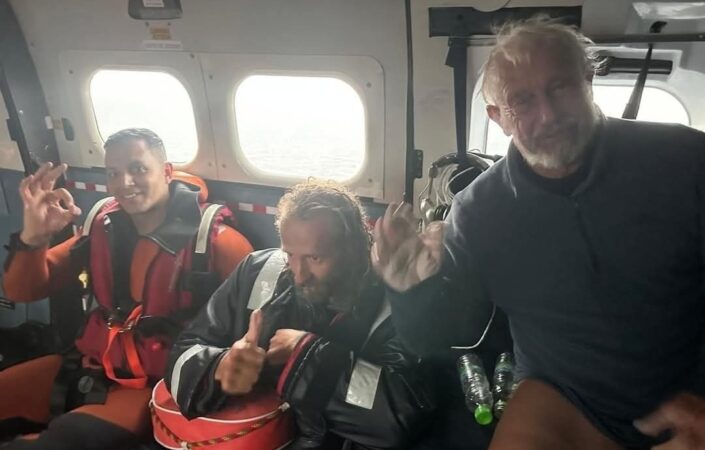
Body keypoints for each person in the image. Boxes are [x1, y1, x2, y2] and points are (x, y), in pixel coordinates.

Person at [372, 17, 705, 450]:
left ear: (588, 82)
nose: (548, 116)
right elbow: (439, 337)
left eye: (560, 88)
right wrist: (410, 292)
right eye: (522, 100)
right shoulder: (479, 211)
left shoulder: (684, 161)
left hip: (687, 388)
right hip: (563, 398)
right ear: (497, 117)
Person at [0, 128, 253, 449]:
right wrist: (34, 237)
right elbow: (24, 291)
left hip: (154, 386)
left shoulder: (218, 243)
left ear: (166, 172)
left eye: (138, 169)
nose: (124, 182)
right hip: (89, 364)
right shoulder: (102, 227)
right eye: (113, 173)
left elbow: (254, 327)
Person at [166, 179, 435, 450]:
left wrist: (304, 357)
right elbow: (182, 354)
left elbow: (402, 418)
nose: (299, 274)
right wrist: (218, 367)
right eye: (290, 255)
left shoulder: (393, 303)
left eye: (314, 258)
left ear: (353, 249)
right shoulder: (257, 271)